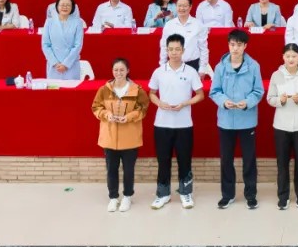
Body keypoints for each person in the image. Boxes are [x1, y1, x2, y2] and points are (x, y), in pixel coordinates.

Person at [210, 29, 265, 210]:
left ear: (245, 46)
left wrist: (247, 102)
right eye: (232, 44)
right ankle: (228, 195)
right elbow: (214, 91)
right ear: (228, 45)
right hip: (226, 120)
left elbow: (258, 91)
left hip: (247, 120)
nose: (235, 48)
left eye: (239, 45)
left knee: (249, 160)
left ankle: (251, 195)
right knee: (226, 160)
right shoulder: (220, 67)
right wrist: (224, 102)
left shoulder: (254, 66)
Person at [148, 34, 205, 210]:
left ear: (183, 50)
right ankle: (162, 194)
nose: (174, 52)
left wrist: (185, 103)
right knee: (163, 161)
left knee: (184, 160)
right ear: (166, 50)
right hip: (162, 125)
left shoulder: (190, 72)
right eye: (171, 49)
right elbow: (151, 93)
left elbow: (200, 95)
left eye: (177, 49)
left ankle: (186, 192)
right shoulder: (159, 71)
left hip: (184, 125)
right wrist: (159, 103)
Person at [92, 57, 150, 213]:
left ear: (128, 71)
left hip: (130, 138)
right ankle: (113, 197)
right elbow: (96, 107)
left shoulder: (137, 90)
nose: (119, 73)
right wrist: (106, 114)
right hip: (109, 138)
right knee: (111, 169)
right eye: (116, 70)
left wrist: (129, 117)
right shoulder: (104, 90)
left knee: (128, 170)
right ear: (112, 71)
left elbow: (143, 108)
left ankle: (127, 196)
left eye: (122, 70)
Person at [267, 43, 298, 209]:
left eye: (294, 56)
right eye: (288, 56)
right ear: (283, 57)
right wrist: (280, 100)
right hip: (281, 126)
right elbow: (270, 98)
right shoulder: (276, 75)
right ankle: (283, 196)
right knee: (282, 164)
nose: (291, 59)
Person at [159, 0, 210, 74]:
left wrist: (202, 68)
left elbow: (203, 48)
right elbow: (164, 46)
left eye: (185, 6)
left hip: (193, 64)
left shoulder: (198, 24)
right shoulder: (169, 25)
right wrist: (162, 65)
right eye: (179, 6)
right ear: (176, 7)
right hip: (173, 64)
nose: (182, 8)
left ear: (190, 7)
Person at [41, 0, 84, 79]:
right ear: (57, 6)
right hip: (54, 66)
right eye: (62, 5)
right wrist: (55, 63)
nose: (65, 7)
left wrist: (66, 64)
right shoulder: (49, 22)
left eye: (68, 5)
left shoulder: (78, 22)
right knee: (54, 87)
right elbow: (45, 44)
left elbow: (78, 45)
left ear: (72, 7)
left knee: (71, 87)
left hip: (71, 65)